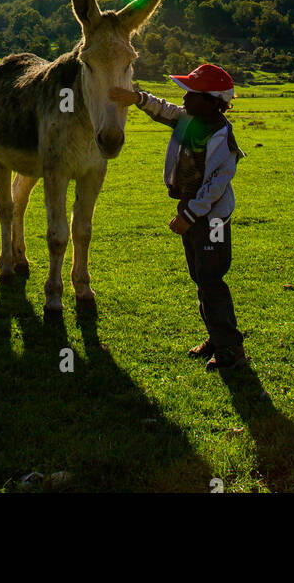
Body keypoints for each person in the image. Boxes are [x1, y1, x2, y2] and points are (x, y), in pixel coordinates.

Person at [110, 63, 248, 372]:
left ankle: (231, 348)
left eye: (191, 93)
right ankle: (216, 337)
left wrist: (188, 215)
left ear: (212, 101)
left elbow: (215, 186)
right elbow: (165, 110)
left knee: (211, 279)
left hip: (210, 219)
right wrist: (137, 99)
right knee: (201, 277)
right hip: (191, 210)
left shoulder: (220, 135)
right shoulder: (191, 119)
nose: (183, 98)